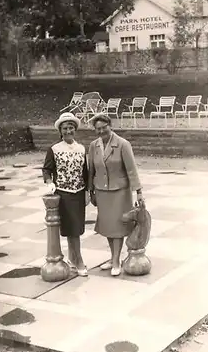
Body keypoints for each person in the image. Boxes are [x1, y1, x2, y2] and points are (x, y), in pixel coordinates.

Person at [87, 113, 145, 276]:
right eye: (98, 129)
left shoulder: (122, 144)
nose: (101, 131)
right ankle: (113, 258)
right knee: (107, 225)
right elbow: (91, 170)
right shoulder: (93, 146)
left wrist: (139, 192)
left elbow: (132, 170)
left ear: (110, 126)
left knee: (118, 226)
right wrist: (90, 191)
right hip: (101, 191)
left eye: (104, 128)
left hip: (120, 191)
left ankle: (116, 261)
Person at [42, 112, 89, 277]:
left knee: (76, 228)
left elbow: (85, 172)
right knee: (71, 229)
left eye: (71, 127)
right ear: (60, 131)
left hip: (79, 192)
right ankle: (79, 260)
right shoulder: (54, 149)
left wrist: (88, 192)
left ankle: (73, 258)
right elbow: (47, 169)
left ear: (75, 129)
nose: (68, 131)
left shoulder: (81, 148)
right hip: (64, 194)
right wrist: (49, 182)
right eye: (65, 128)